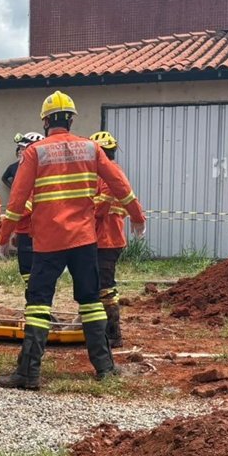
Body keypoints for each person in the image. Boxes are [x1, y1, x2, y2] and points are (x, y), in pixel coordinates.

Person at [0, 91, 145, 390]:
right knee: (90, 301)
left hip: (48, 242)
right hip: (84, 240)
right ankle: (104, 367)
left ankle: (28, 373)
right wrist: (137, 216)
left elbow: (18, 198)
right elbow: (119, 183)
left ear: (46, 120)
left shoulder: (34, 152)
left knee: (38, 303)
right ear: (72, 118)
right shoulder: (91, 148)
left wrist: (4, 235)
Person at [90, 131, 143, 348]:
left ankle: (112, 334)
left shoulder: (104, 175)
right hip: (109, 238)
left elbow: (100, 207)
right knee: (100, 285)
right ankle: (103, 330)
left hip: (105, 239)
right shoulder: (115, 173)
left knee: (104, 287)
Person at [10, 132, 43, 286]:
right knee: (29, 273)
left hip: (32, 232)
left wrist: (7, 220)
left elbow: (25, 206)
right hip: (25, 231)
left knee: (31, 272)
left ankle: (34, 301)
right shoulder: (30, 171)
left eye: (23, 149)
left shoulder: (35, 174)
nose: (20, 153)